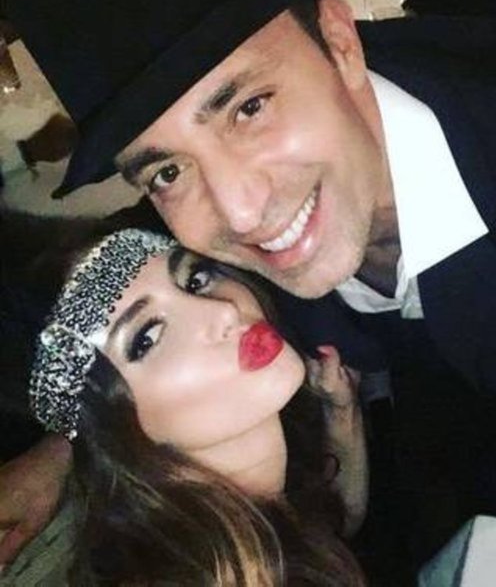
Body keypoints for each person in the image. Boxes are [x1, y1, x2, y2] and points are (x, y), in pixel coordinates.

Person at [1, 0, 496, 581]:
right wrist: (76, 436)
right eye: (167, 171)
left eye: (249, 107)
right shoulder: (201, 255)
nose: (241, 215)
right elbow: (116, 277)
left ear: (339, 43)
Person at [1, 221, 367, 585]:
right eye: (146, 338)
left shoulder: (262, 480)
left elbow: (328, 529)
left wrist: (341, 413)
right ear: (107, 427)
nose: (224, 311)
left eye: (195, 280)